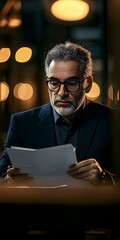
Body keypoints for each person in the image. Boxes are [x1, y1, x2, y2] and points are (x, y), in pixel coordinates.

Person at [0, 41, 118, 186]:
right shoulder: (22, 123)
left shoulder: (113, 122)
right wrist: (8, 181)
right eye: (54, 83)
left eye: (72, 83)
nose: (62, 93)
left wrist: (103, 178)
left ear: (88, 84)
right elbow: (2, 178)